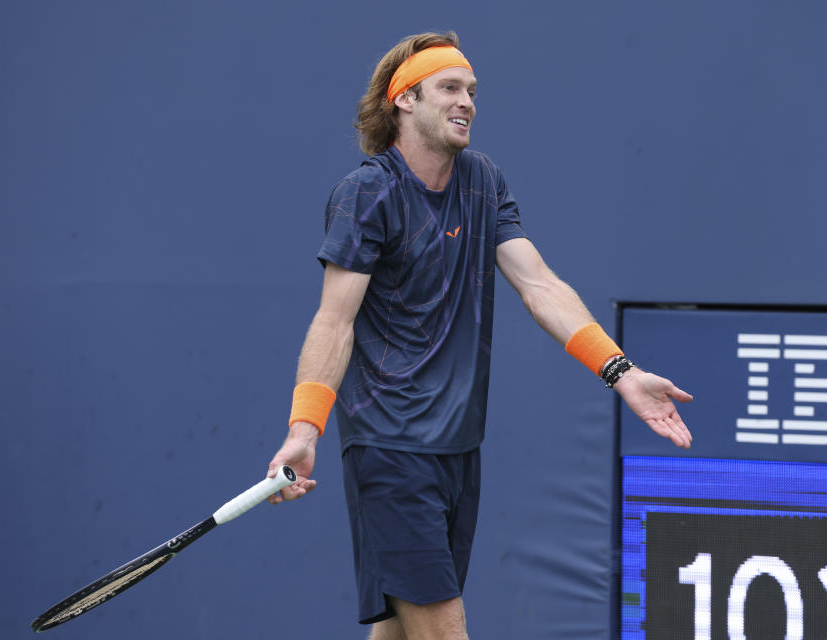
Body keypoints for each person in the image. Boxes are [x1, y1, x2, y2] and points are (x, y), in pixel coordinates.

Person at [266, 31, 692, 640]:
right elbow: (334, 322)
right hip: (391, 446)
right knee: (443, 630)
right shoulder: (366, 193)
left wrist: (620, 372)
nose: (468, 101)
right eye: (450, 88)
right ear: (404, 101)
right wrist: (304, 429)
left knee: (401, 630)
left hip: (457, 448)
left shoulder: (482, 181)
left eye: (472, 91)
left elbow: (539, 285)